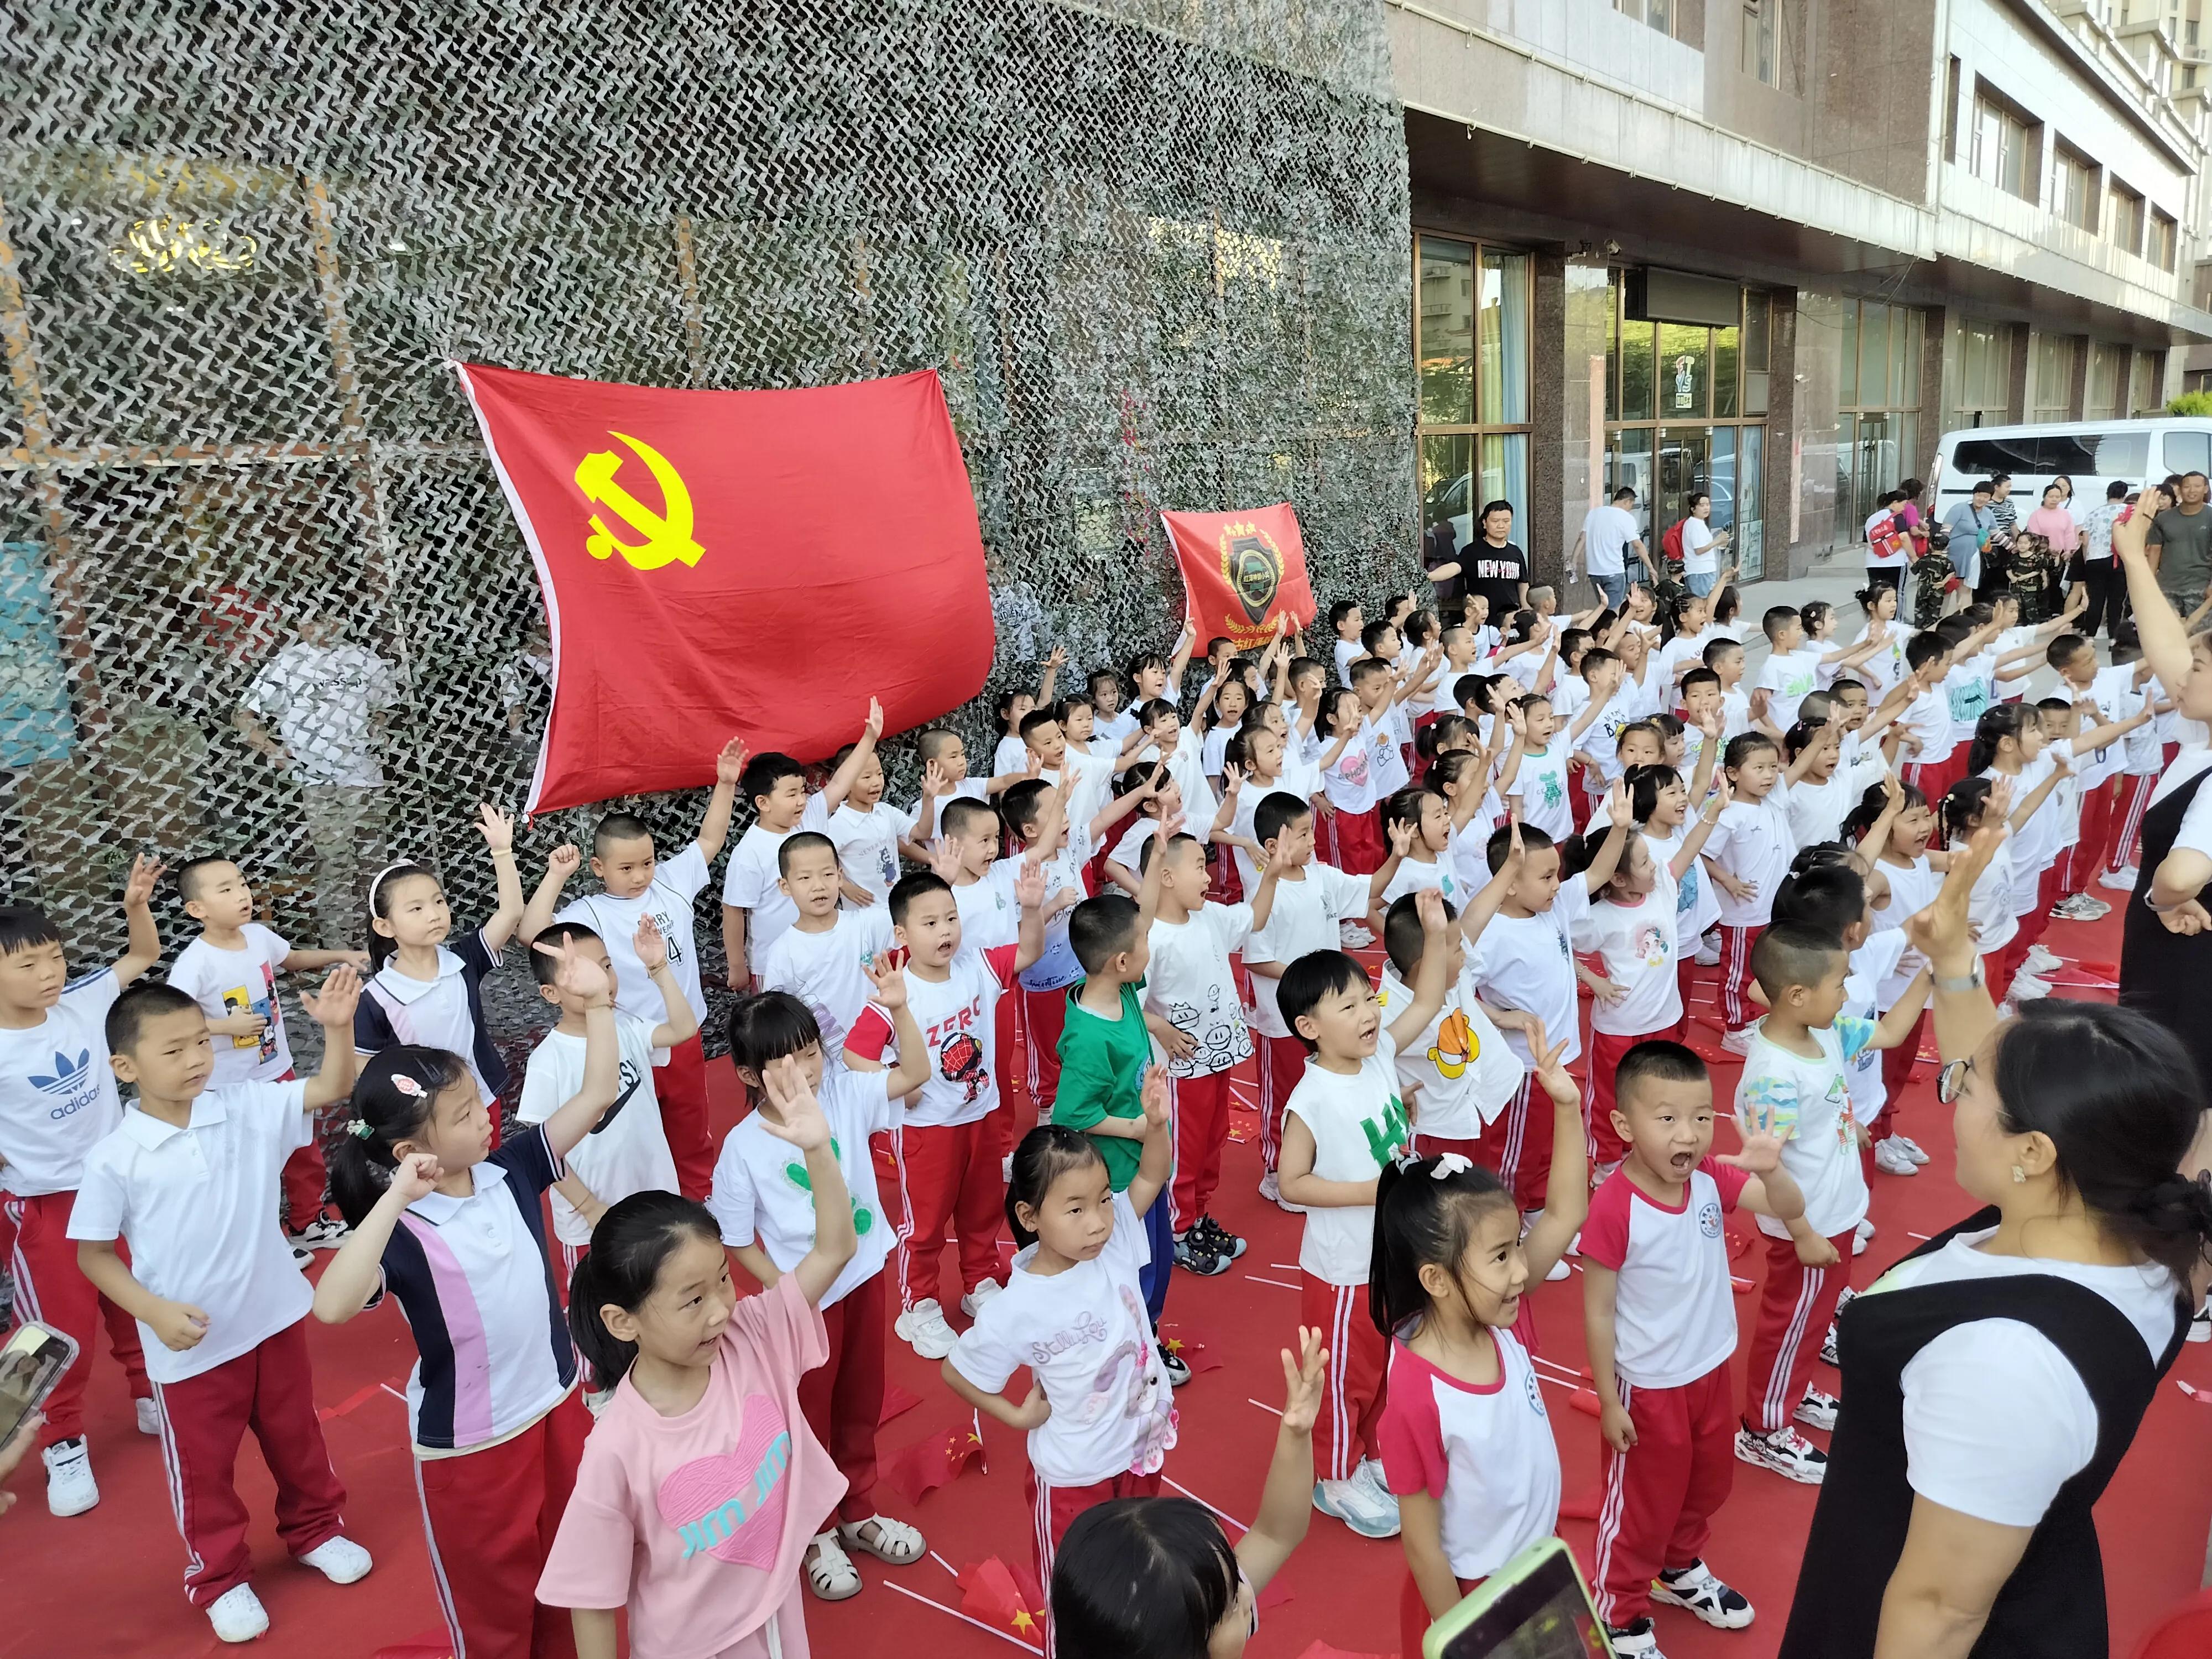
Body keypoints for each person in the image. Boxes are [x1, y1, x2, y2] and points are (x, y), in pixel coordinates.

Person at [1778, 823, 2205, 1659]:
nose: (1953, 1084)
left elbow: (1940, 1610)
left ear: (2035, 1152)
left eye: (1966, 1086)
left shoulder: (2006, 1362)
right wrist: (1953, 961)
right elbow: (2007, 1077)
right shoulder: (2138, 1226)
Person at [311, 933, 625, 1659]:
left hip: (554, 1405)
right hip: (474, 1446)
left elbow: (598, 1093)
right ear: (408, 1151)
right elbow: (330, 1306)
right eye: (460, 1116)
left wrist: (601, 1002)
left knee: (570, 1571)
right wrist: (392, 1201)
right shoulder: (403, 1232)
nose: (486, 1115)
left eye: (476, 1104)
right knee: (494, 1608)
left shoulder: (512, 1169)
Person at [68, 973, 371, 1641]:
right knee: (206, 1473)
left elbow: (330, 1087)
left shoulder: (243, 1106)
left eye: (202, 1042)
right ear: (125, 1066)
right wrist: (152, 1311)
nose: (197, 1058)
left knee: (299, 1440)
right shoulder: (115, 1158)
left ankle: (316, 1530)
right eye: (173, 1050)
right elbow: (94, 1256)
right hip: (191, 1348)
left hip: (273, 1319)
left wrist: (339, 1028)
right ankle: (220, 1577)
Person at [540, 1060, 861, 1659]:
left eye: (722, 1280)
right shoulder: (617, 1446)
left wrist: (818, 1149)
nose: (720, 1309)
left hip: (774, 1612)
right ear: (621, 1321)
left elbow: (836, 1248)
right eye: (692, 1300)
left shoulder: (752, 1337)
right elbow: (590, 1592)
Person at [1582, 1043, 1805, 1658]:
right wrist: (1608, 1399)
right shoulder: (1614, 1206)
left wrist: (1770, 1169)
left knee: (1707, 1488)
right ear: (1625, 1125)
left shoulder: (1710, 1181)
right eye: (1669, 1118)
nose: (1690, 1133)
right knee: (1640, 1510)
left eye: (1702, 1116)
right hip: (1648, 1384)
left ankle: (1676, 1570)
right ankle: (1619, 1609)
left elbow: (1788, 1208)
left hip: (1709, 1369)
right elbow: (1597, 1309)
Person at [712, 985, 933, 1602]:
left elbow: (915, 1072)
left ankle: (856, 1510)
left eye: (810, 1051)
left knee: (860, 1402)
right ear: (749, 1074)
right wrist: (789, 1291)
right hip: (807, 1303)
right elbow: (736, 1239)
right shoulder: (742, 1146)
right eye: (785, 1060)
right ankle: (812, 1532)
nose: (804, 1069)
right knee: (806, 1416)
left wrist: (898, 1009)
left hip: (862, 1281)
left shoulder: (843, 1093)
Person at [943, 1090, 1180, 1658]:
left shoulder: (1115, 1237)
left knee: (1138, 1570)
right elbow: (958, 1370)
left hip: (1138, 1450)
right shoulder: (1015, 1306)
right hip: (1075, 1478)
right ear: (1029, 1217)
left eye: (1102, 1200)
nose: (1098, 1221)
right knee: (1075, 1592)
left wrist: (1156, 1125)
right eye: (1075, 1209)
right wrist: (1014, 1415)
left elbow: (1150, 1174)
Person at [1371, 1099, 1587, 1659]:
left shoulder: (1501, 1322)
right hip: (1477, 1597)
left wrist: (1564, 1106)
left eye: (1518, 1245)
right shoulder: (1419, 1397)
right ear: (1436, 1280)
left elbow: (1564, 1213)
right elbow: (1421, 1547)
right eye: (1500, 1256)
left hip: (1540, 1565)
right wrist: (1470, 1639)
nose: (1521, 1270)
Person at [1275, 890, 1455, 1540]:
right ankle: (1333, 1474)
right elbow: (1292, 1182)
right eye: (1346, 1005)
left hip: (1390, 1253)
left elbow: (1429, 1001)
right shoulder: (1312, 1095)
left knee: (1385, 1363)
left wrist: (1433, 934)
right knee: (1346, 1369)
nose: (1368, 1012)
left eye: (1367, 997)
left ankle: (1371, 1453)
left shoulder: (1377, 1059)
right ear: (1309, 1028)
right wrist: (1372, 1192)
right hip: (1344, 1266)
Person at [1731, 923, 1931, 1484]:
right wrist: (1800, 1232)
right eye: (1841, 984)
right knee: (1789, 1322)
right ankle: (1763, 1429)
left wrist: (1932, 973)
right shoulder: (1773, 1074)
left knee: (1814, 1317)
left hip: (1835, 1213)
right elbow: (1766, 1166)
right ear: (1797, 994)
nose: (1848, 994)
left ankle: (1791, 1394)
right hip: (1808, 1223)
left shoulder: (1823, 1034)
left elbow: (1889, 1033)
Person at [0, 860, 162, 1517]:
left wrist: (135, 904)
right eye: (29, 965)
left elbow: (145, 953)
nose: (50, 974)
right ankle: (58, 1442)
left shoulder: (88, 999)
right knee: (47, 1331)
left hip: (121, 1185)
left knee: (139, 1300)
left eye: (55, 957)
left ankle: (153, 1397)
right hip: (45, 1203)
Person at [519, 737, 747, 1201]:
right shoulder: (591, 911)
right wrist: (556, 876)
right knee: (640, 1134)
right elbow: (532, 933)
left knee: (691, 1130)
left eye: (647, 862)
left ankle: (698, 1202)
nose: (640, 875)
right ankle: (648, 1213)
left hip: (680, 1034)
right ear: (599, 868)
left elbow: (710, 840)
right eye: (627, 868)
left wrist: (724, 785)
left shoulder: (672, 882)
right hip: (626, 1040)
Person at [843, 865, 1046, 1360]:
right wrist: (897, 1081)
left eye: (951, 919)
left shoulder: (978, 966)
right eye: (930, 923)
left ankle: (980, 1283)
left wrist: (1033, 907)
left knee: (981, 1212)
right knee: (926, 1224)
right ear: (902, 934)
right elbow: (855, 1054)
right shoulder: (896, 991)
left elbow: (1029, 952)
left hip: (979, 1115)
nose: (945, 931)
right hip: (926, 1130)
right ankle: (920, 1305)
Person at [1049, 1328, 1327, 1659]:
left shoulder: (1187, 1612)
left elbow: (1276, 1534)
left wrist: (1296, 1435)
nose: (1248, 1596)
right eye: (1233, 1602)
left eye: (1235, 1585)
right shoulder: (1192, 1606)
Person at [164, 855, 369, 1256]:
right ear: (196, 909)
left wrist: (340, 954)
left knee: (301, 1150)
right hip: (229, 1086)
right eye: (226, 889)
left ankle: (307, 1223)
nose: (242, 894)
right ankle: (259, 1245)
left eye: (242, 884)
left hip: (278, 1070)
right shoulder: (194, 964)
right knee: (246, 1167)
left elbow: (290, 958)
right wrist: (226, 1027)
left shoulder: (257, 936)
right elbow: (171, 1024)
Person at [1469, 803, 1631, 1215]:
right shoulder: (1491, 934)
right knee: (1518, 1150)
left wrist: (1619, 827)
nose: (1557, 884)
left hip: (1554, 1058)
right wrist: (1502, 1017)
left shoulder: (1552, 906)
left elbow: (1596, 875)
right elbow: (1454, 991)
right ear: (1507, 884)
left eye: (1556, 873)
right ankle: (1509, 1217)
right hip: (1523, 1067)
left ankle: (1539, 1209)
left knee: (1548, 1143)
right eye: (1545, 877)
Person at [1244, 791, 1404, 1206]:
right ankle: (1279, 1171)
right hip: (1285, 1020)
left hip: (1330, 1019)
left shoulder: (1323, 877)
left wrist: (1397, 856)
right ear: (1274, 846)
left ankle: (1315, 1165)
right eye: (1302, 834)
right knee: (1285, 1096)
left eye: (1312, 832)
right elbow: (1258, 960)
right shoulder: (1267, 893)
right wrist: (1311, 984)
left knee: (1324, 1090)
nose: (1313, 841)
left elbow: (1369, 888)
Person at [516, 919, 692, 1285]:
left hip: (654, 1197)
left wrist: (658, 968)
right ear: (551, 993)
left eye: (606, 966)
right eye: (580, 971)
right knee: (600, 1307)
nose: (601, 978)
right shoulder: (549, 1061)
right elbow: (543, 1152)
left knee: (664, 1289)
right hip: (592, 1221)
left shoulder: (627, 1028)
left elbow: (683, 1029)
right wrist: (590, 1207)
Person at [1141, 832, 1284, 1271]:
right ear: (1166, 876)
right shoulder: (1151, 938)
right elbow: (1128, 1002)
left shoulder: (1210, 918)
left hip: (1217, 1059)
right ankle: (1178, 1230)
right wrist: (1161, 1026)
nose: (1210, 876)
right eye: (1199, 866)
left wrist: (1273, 875)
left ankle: (1197, 1216)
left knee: (1212, 1143)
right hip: (1182, 1072)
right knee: (1182, 1152)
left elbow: (1254, 918)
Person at [2110, 492, 2212, 1083]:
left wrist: (2163, 900)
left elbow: (2179, 875)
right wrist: (2132, 557)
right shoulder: (2200, 740)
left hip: (2188, 968)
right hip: (2173, 963)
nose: (2182, 676)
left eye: (2200, 670)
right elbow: (2171, 647)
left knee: (2185, 1114)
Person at [352, 807, 526, 1145]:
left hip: (480, 1101)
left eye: (438, 902)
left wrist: (502, 851)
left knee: (484, 1176)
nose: (433, 914)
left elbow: (512, 912)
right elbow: (364, 1070)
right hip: (422, 1123)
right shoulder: (376, 997)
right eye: (416, 908)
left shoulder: (465, 958)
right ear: (385, 926)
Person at [232, 606, 404, 948]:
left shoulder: (364, 659)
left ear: (340, 620)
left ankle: (385, 942)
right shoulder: (287, 663)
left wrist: (377, 727)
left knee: (375, 863)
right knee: (336, 863)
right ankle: (342, 947)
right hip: (318, 781)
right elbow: (244, 714)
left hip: (366, 776)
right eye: (309, 620)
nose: (318, 628)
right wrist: (274, 751)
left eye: (325, 618)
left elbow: (388, 706)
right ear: (298, 624)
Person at [1582, 778, 1730, 1172]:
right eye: (1645, 862)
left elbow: (1688, 849)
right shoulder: (1599, 917)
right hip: (1620, 1026)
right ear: (1616, 879)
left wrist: (1713, 813)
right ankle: (1608, 1162)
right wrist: (1592, 979)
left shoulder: (1663, 886)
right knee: (1612, 1096)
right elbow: (1557, 945)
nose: (1656, 866)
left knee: (1659, 1093)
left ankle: (1651, 1150)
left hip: (1663, 1019)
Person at [720, 710, 878, 989]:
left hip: (825, 949)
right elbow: (734, 910)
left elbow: (841, 782)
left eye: (803, 791)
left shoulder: (810, 817)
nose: (802, 800)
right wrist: (737, 966)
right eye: (791, 794)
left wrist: (869, 738)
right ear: (763, 802)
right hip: (772, 965)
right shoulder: (750, 852)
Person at [1703, 734, 1796, 1053]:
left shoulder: (1773, 802)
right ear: (1732, 773)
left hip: (1774, 907)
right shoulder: (1728, 813)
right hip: (1744, 911)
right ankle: (1735, 1028)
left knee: (1765, 968)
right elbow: (1702, 855)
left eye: (1773, 767)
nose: (1769, 775)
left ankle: (1755, 1019)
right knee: (1738, 971)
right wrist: (1728, 881)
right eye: (1759, 768)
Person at [2146, 468, 2212, 619]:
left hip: (2200, 588)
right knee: (2164, 635)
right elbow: (2154, 552)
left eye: (2197, 486)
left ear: (2205, 489)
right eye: (2187, 486)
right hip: (2166, 587)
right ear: (2180, 490)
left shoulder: (2210, 517)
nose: (2192, 490)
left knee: (2199, 637)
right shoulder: (2163, 519)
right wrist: (2149, 583)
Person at [2073, 480, 2130, 639]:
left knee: (2095, 600)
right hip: (2117, 560)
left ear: (2108, 494)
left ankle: (2090, 636)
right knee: (2116, 601)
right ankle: (2113, 638)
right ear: (2124, 495)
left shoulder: (2093, 513)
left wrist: (2087, 561)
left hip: (2094, 560)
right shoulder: (2128, 512)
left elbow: (2085, 542)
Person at [1577, 487, 1648, 609]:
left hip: (1594, 572)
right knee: (1613, 611)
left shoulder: (1594, 513)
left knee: (1603, 608)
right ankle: (1611, 628)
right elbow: (1637, 545)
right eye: (1631, 506)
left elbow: (1581, 539)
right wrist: (1650, 568)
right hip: (1614, 571)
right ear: (1627, 501)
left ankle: (1603, 627)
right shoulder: (1626, 518)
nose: (1630, 510)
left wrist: (1574, 560)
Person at [1461, 500, 1530, 624]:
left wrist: (1526, 610)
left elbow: (1523, 584)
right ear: (1485, 523)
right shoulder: (1471, 552)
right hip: (1481, 619)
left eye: (1506, 521)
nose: (1501, 526)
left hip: (1510, 619)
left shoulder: (1516, 552)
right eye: (1495, 521)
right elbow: (1455, 569)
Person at [1942, 479, 1997, 594]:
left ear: (1990, 498)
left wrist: (2013, 547)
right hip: (1954, 555)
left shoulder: (1988, 513)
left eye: (1986, 497)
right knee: (1948, 587)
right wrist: (1943, 554)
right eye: (1979, 495)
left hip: (1973, 557)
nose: (1981, 499)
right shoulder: (1959, 508)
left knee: (1966, 589)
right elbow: (1945, 531)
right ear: (1974, 494)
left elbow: (1997, 534)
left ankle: (1964, 612)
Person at [1678, 492, 1730, 598]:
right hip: (1700, 572)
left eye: (1708, 504)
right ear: (1693, 509)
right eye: (1702, 505)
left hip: (1702, 571)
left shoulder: (1698, 523)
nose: (1706, 508)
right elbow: (1699, 550)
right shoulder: (1695, 525)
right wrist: (1717, 541)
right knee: (1702, 605)